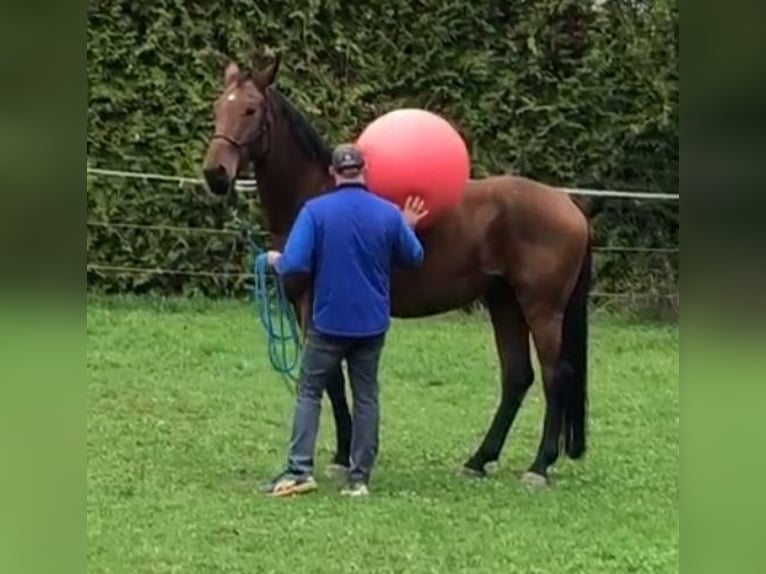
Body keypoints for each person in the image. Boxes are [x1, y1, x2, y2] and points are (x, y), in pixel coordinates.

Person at [261, 142, 428, 497]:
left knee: (309, 391)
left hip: (328, 323)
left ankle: (300, 469)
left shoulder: (315, 212)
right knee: (366, 396)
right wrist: (407, 225)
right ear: (364, 172)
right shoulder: (387, 214)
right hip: (372, 324)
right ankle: (359, 478)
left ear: (334, 174)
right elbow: (414, 257)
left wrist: (275, 260)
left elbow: (295, 265)